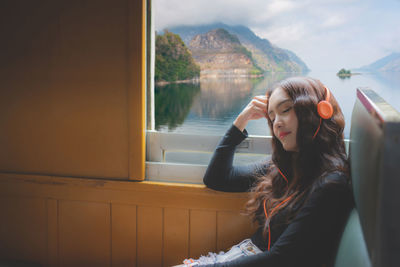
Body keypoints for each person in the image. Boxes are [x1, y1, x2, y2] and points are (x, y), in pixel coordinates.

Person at [178, 76, 353, 267]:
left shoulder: (331, 184)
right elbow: (217, 178)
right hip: (244, 255)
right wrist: (240, 121)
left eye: (285, 110)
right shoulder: (283, 166)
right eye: (272, 117)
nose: (277, 123)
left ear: (318, 111)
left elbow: (280, 259)